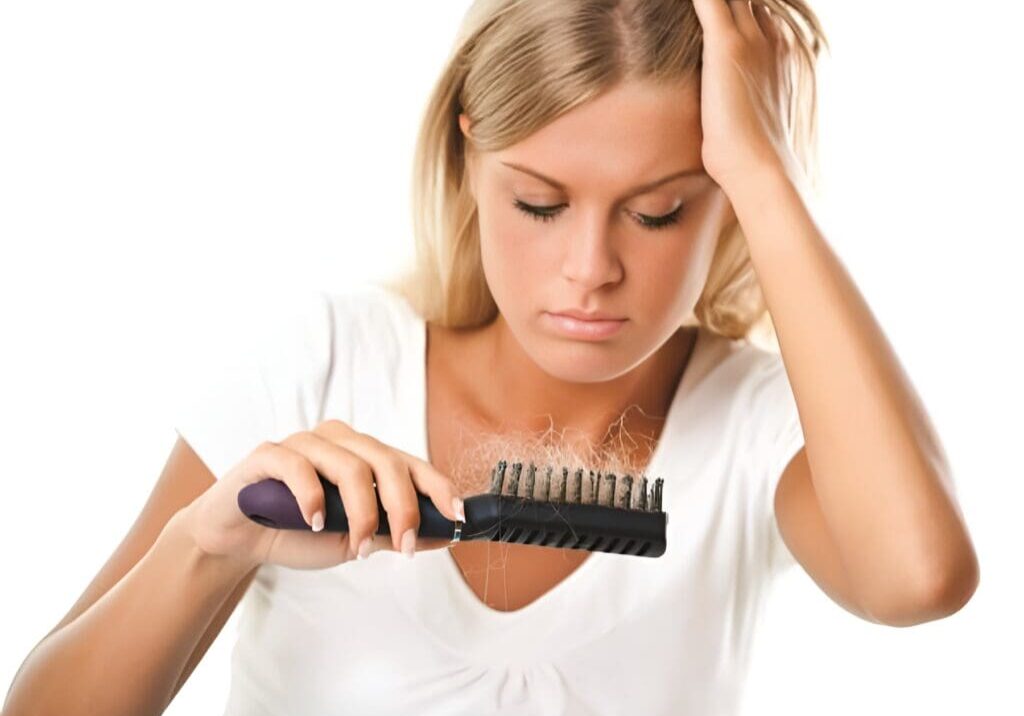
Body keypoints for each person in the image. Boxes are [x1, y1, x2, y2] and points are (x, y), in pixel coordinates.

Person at [2, 1, 979, 715]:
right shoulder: (324, 361)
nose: (590, 269)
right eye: (541, 204)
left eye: (658, 209)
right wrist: (207, 547)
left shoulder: (760, 425)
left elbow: (919, 576)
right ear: (469, 155)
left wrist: (765, 170)